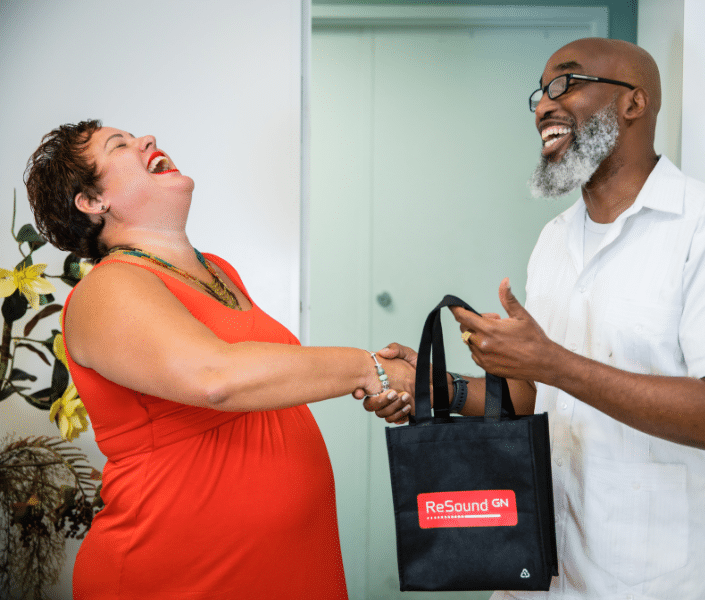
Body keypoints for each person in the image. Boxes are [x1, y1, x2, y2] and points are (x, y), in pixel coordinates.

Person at [367, 38, 705, 600]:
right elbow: (538, 398)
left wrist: (553, 364)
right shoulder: (555, 241)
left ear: (634, 102)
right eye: (540, 91)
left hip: (663, 578)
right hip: (546, 569)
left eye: (566, 82)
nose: (542, 106)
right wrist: (445, 390)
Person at [24, 119, 415, 600]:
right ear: (92, 201)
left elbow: (266, 378)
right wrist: (369, 369)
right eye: (120, 145)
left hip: (287, 563)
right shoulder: (105, 288)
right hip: (183, 573)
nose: (147, 138)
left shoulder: (218, 271)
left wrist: (389, 382)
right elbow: (214, 377)